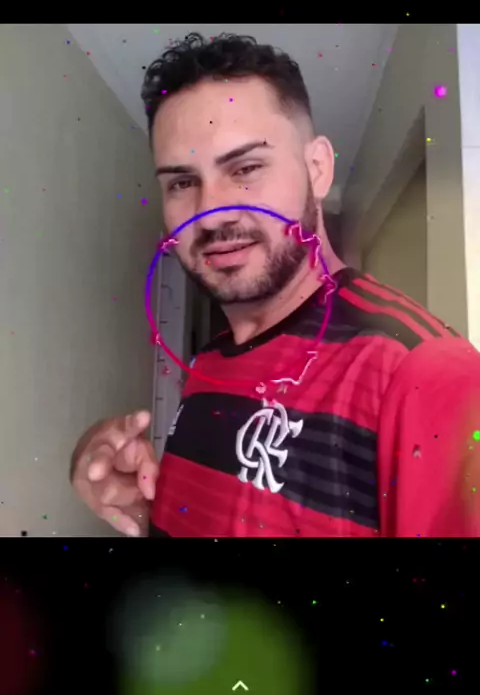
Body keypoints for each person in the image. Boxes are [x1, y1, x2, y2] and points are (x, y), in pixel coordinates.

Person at [70, 32, 480, 538]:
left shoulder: (424, 375)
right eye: (182, 182)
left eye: (245, 168)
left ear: (318, 169)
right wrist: (120, 485)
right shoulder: (210, 361)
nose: (210, 215)